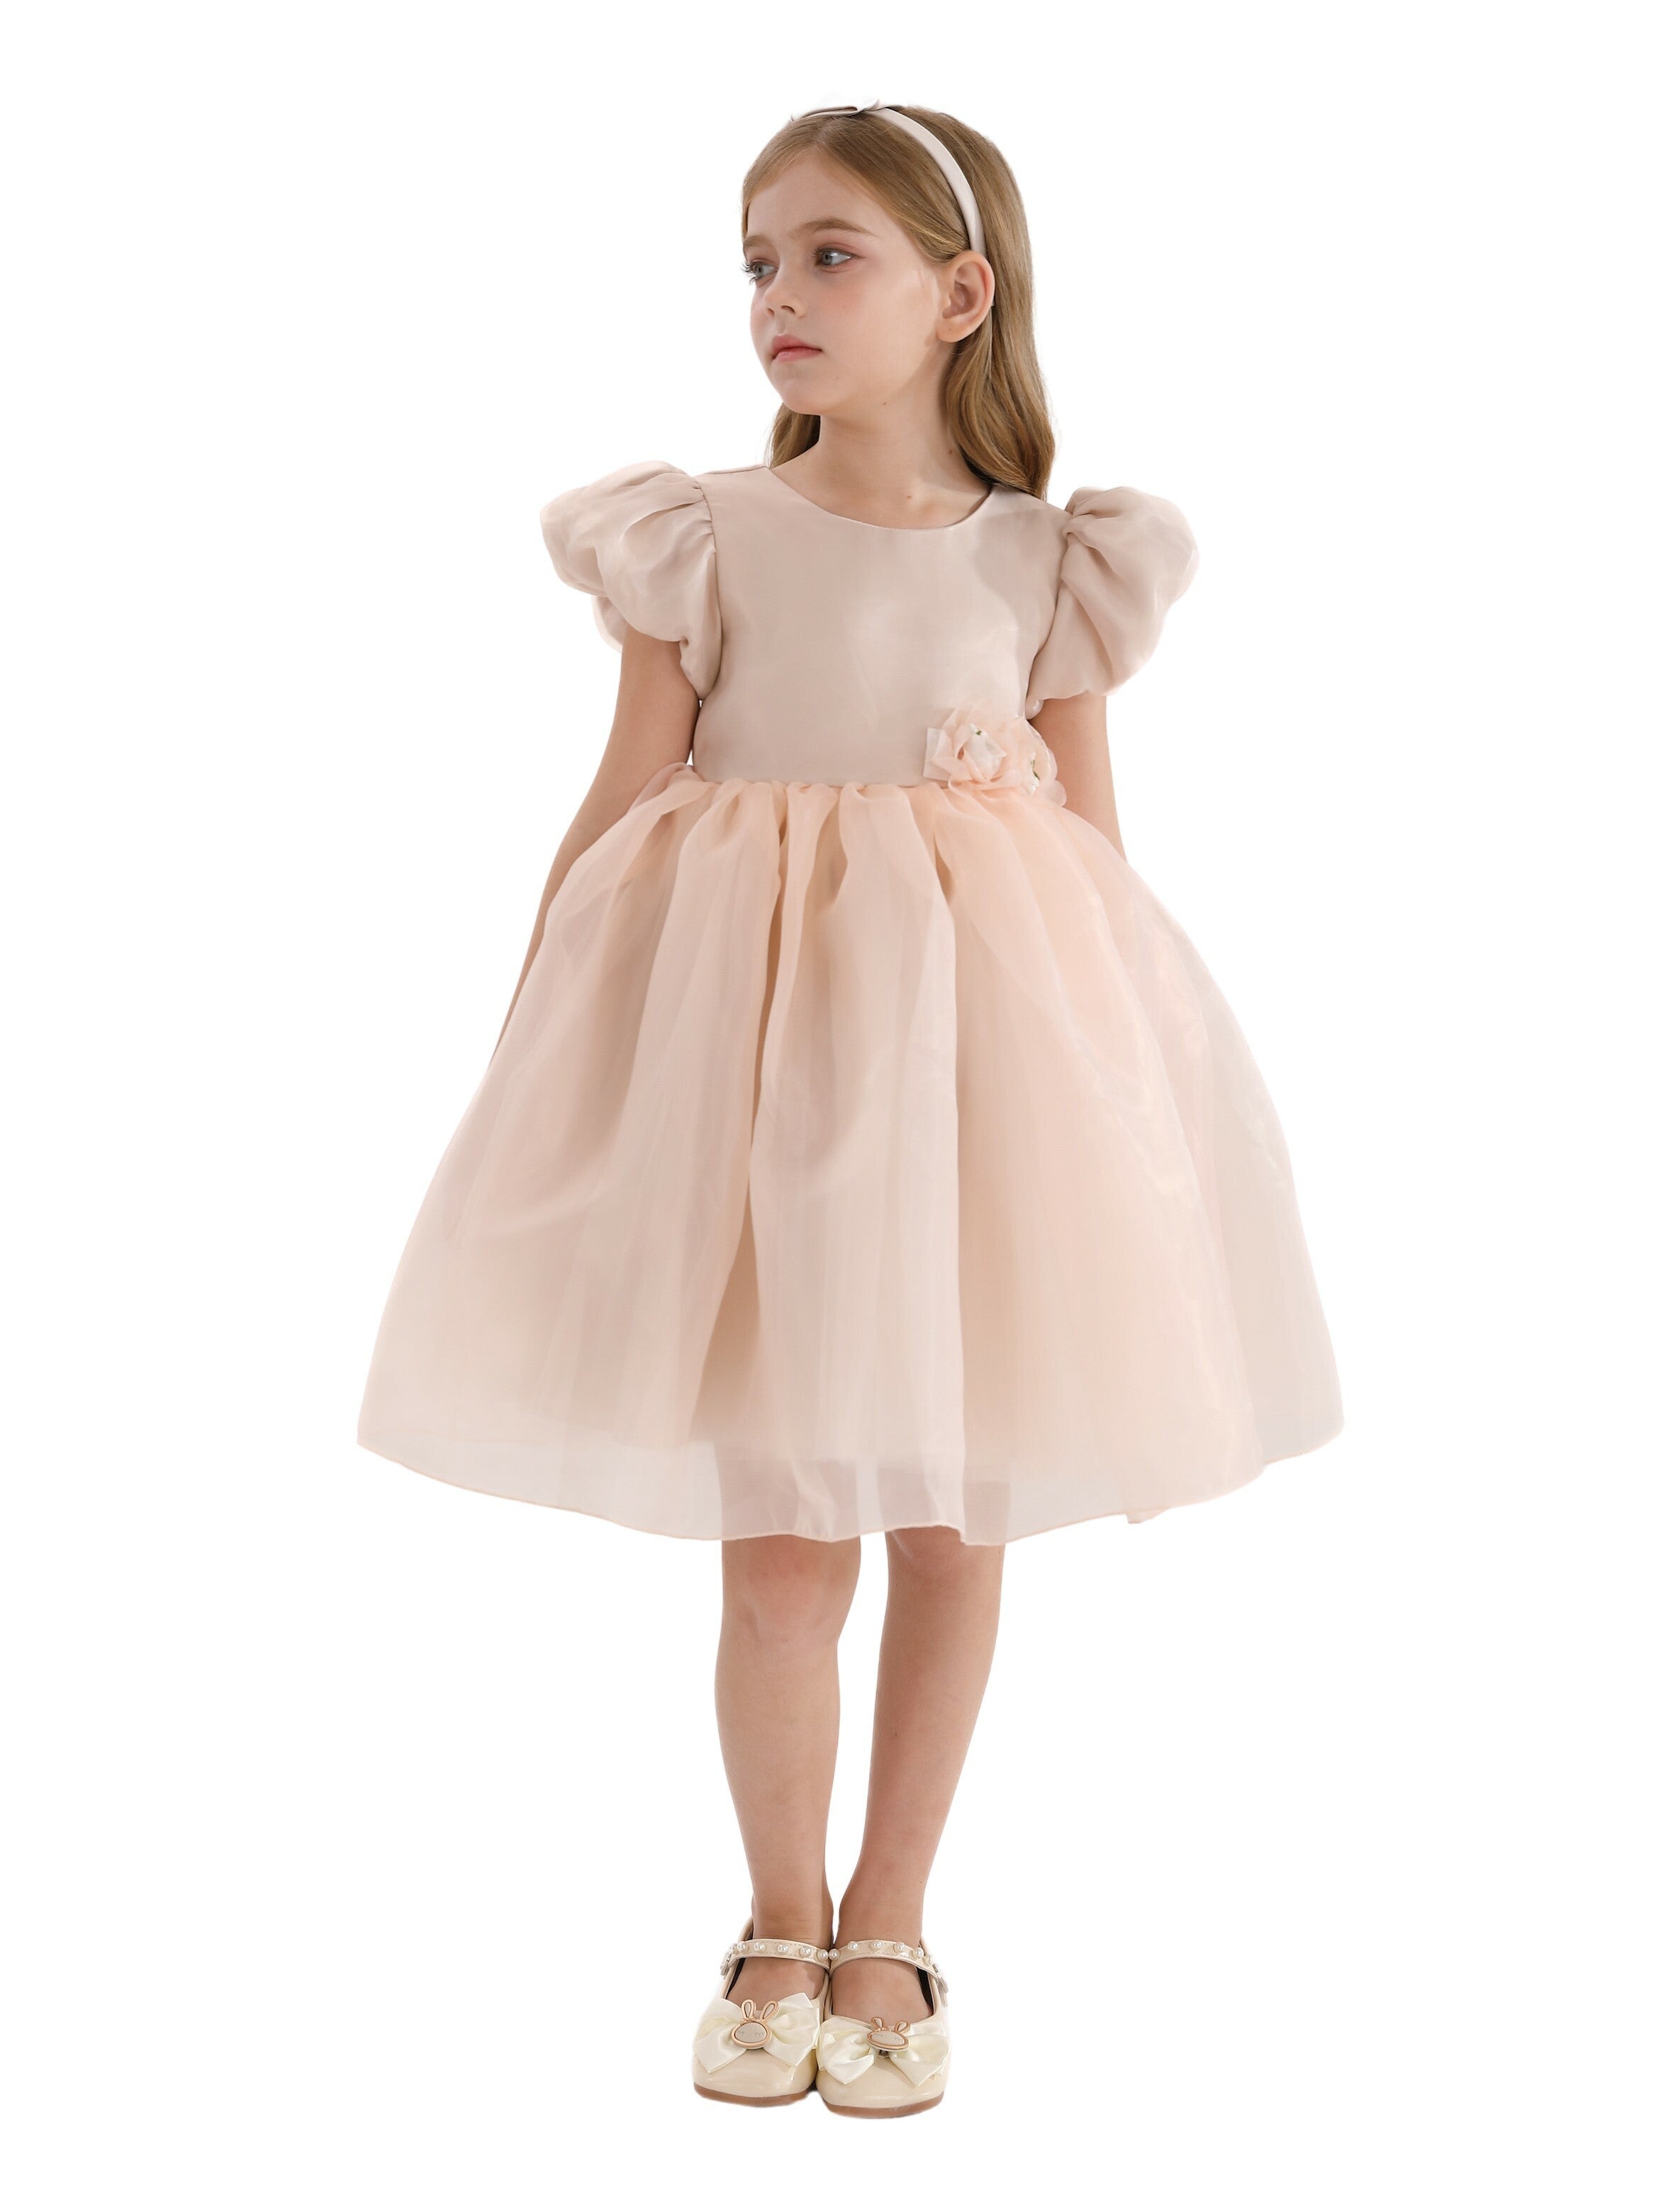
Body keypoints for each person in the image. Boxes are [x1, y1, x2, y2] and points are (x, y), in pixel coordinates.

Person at [357, 101, 1343, 2116]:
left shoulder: (1050, 561)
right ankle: (778, 1914)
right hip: (756, 1078)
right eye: (758, 261)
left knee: (955, 1520)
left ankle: (893, 1914)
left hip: (977, 1086)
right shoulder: (705, 535)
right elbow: (626, 796)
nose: (779, 298)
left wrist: (1133, 1106)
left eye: (830, 255)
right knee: (786, 1543)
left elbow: (1091, 854)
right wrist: (549, 1039)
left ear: (960, 295)